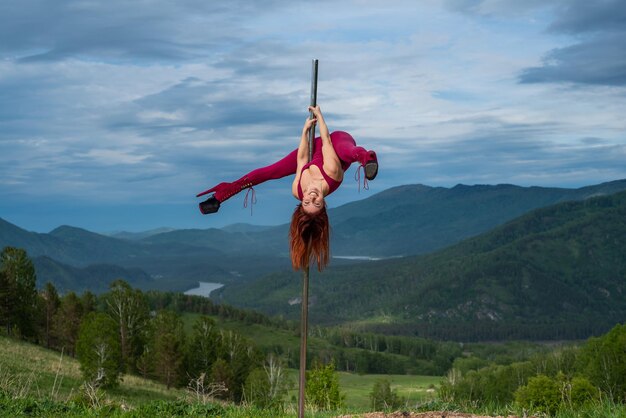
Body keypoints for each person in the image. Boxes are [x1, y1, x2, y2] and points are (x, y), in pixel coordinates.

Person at [196, 105, 378, 271]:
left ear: (301, 201)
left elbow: (302, 160)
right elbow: (325, 142)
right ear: (324, 204)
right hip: (331, 146)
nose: (311, 196)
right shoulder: (332, 175)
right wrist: (319, 118)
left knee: (272, 171)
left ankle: (367, 157)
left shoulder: (297, 190)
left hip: (325, 145)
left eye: (307, 201)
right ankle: (366, 158)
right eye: (316, 202)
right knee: (345, 151)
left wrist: (305, 132)